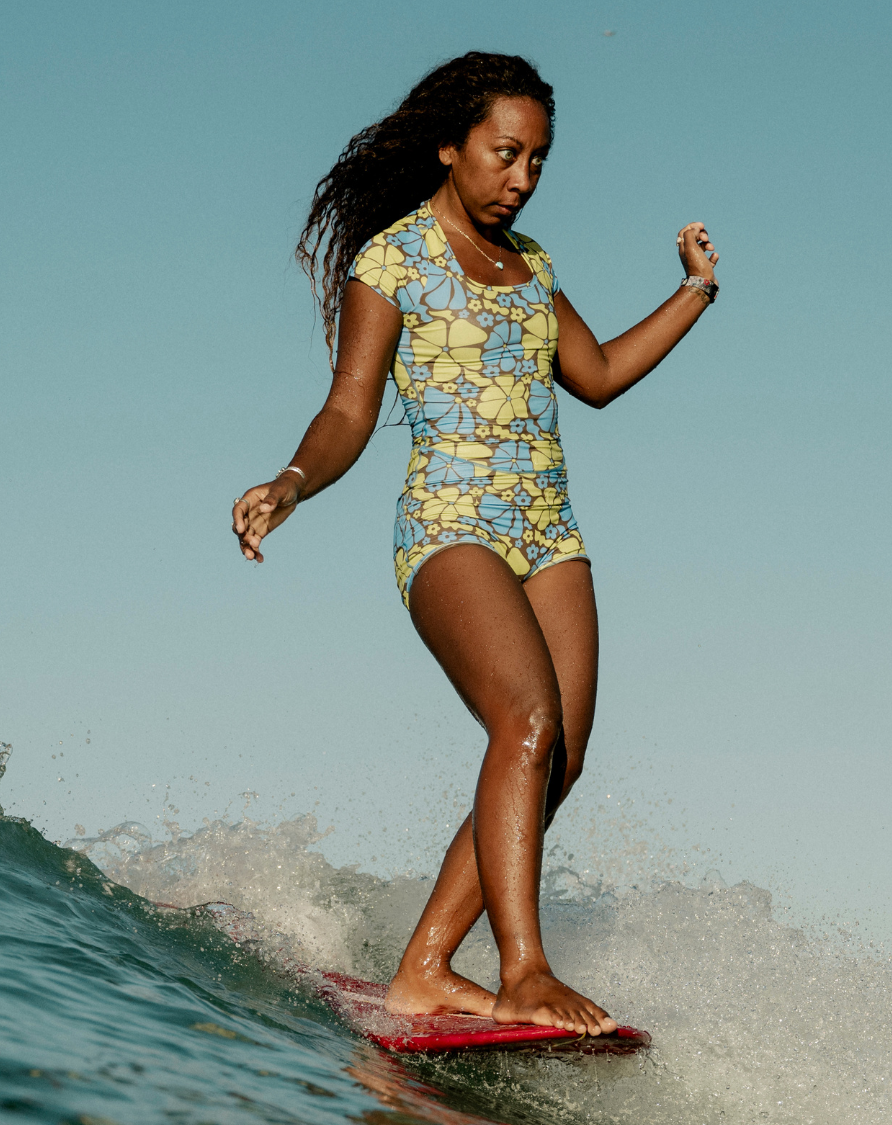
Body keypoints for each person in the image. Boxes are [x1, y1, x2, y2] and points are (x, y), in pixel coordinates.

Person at [232, 51, 719, 1037]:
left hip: (550, 526)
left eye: (539, 160)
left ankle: (422, 967)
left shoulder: (533, 265)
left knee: (560, 759)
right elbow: (349, 409)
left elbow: (599, 374)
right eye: (506, 154)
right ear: (451, 146)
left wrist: (695, 293)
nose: (522, 177)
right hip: (451, 525)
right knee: (526, 720)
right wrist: (291, 479)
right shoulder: (393, 261)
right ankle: (524, 968)